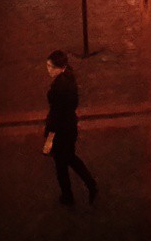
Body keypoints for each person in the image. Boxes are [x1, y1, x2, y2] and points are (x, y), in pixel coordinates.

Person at [43, 50, 97, 206]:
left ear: (60, 67)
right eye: (47, 65)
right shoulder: (68, 78)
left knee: (61, 166)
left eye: (51, 67)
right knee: (70, 158)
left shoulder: (59, 88)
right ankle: (90, 185)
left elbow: (55, 116)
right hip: (69, 127)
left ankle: (68, 197)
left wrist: (49, 139)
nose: (48, 69)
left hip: (61, 132)